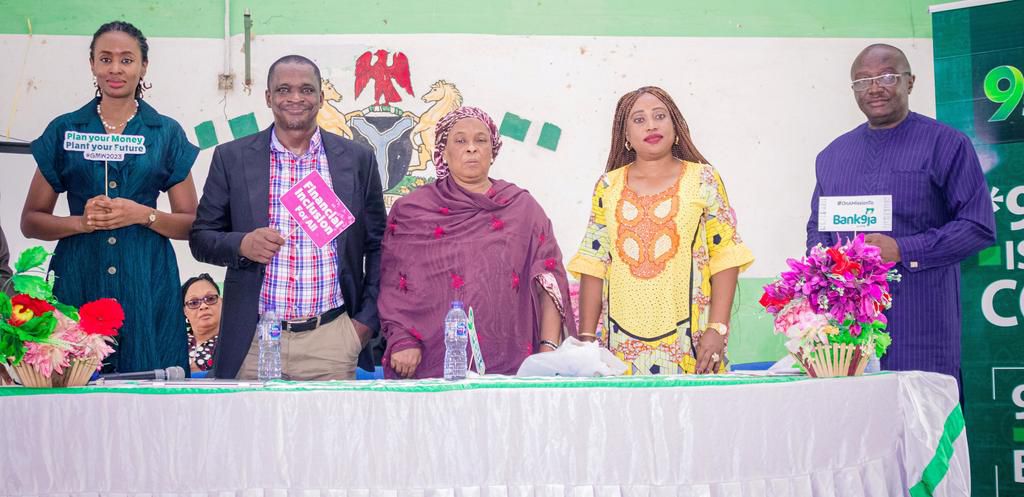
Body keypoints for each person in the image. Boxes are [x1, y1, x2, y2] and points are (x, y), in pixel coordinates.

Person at [190, 55, 386, 381]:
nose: (295, 98)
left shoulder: (357, 159)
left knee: (328, 434)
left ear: (321, 97)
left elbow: (379, 245)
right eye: (284, 89)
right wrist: (241, 244)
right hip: (253, 340)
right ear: (268, 97)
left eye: (306, 89)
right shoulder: (232, 157)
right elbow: (201, 237)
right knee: (251, 433)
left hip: (332, 338)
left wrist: (364, 324)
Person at [806, 44, 996, 380]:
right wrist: (825, 269)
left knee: (924, 418)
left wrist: (904, 249)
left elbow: (977, 227)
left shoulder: (947, 144)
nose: (875, 87)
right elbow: (817, 230)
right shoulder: (832, 156)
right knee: (855, 424)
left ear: (910, 82)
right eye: (862, 81)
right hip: (848, 329)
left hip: (923, 317)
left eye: (887, 76)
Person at [22, 21, 199, 374]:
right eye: (105, 59)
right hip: (79, 276)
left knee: (150, 395)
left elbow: (191, 223)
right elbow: (30, 221)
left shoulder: (165, 133)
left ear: (143, 66)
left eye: (126, 59)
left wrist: (142, 214)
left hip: (147, 280)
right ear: (92, 64)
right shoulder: (66, 129)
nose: (115, 69)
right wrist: (81, 223)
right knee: (73, 394)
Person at [378, 107, 576, 379]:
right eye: (460, 141)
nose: (471, 148)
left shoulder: (522, 209)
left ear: (493, 150)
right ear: (443, 151)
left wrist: (548, 349)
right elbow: (393, 284)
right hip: (429, 359)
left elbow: (548, 280)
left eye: (480, 140)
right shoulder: (413, 210)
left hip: (514, 362)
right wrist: (402, 339)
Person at [569, 86, 754, 375]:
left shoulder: (704, 178)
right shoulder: (608, 185)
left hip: (690, 342)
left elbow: (725, 254)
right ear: (626, 136)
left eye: (659, 116)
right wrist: (587, 341)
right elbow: (594, 262)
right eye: (639, 119)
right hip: (618, 345)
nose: (651, 125)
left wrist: (717, 328)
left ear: (675, 126)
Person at [182, 273, 221, 373]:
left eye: (211, 299)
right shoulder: (174, 344)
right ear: (184, 311)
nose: (203, 306)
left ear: (222, 302)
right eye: (194, 303)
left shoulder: (237, 343)